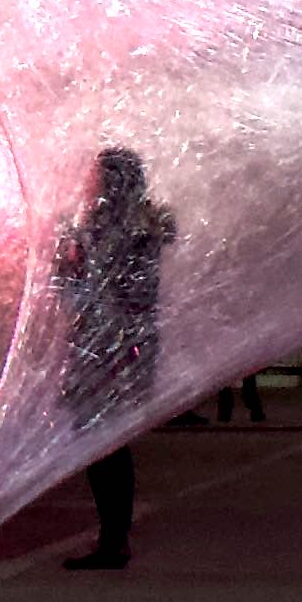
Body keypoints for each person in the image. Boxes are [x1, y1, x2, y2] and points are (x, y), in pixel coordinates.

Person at [47, 144, 174, 569]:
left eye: (97, 177)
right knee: (108, 444)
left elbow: (93, 293)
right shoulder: (140, 226)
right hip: (123, 347)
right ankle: (113, 537)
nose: (89, 184)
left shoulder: (113, 230)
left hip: (107, 349)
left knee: (103, 445)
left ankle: (113, 539)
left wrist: (62, 263)